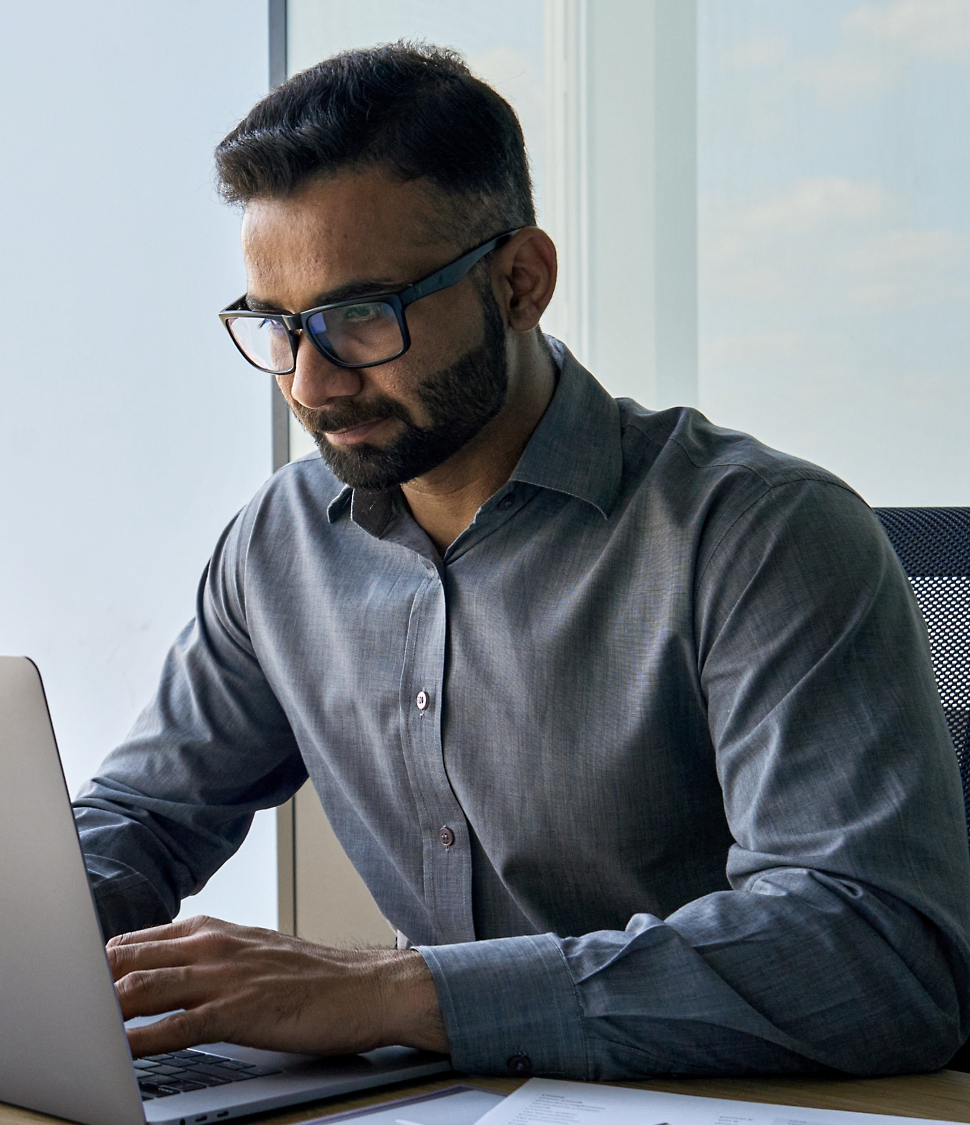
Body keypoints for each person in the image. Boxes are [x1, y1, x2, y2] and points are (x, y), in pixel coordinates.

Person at [73, 41, 970, 1080]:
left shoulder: (762, 535)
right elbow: (143, 816)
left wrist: (387, 993)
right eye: (276, 326)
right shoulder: (279, 544)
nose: (311, 385)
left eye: (360, 316)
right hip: (453, 1102)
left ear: (518, 282)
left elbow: (874, 959)